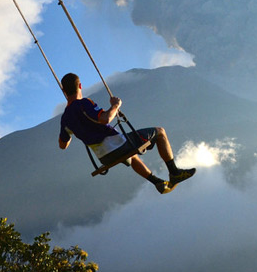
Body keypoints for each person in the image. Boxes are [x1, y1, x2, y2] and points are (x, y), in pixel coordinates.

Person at [58, 72, 195, 194]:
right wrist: (115, 106)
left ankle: (157, 182)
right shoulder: (84, 103)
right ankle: (174, 172)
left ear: (64, 91)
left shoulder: (65, 119)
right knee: (160, 132)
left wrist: (73, 130)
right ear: (80, 86)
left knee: (133, 156)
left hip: (103, 157)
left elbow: (63, 145)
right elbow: (105, 119)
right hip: (118, 145)